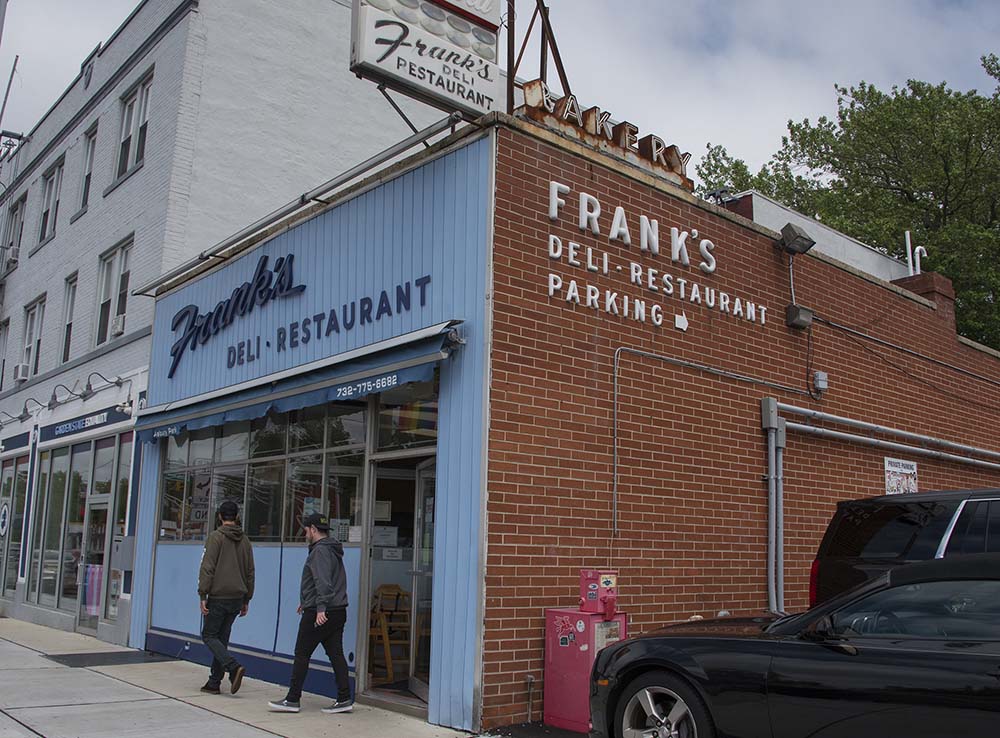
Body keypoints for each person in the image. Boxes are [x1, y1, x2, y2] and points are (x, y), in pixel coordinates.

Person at [268, 513, 353, 714]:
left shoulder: (320, 552)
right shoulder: (331, 549)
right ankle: (344, 698)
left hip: (322, 611)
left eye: (306, 530)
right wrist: (306, 602)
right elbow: (326, 581)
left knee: (302, 653)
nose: (305, 533)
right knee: (336, 654)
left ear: (313, 529)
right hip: (337, 610)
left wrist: (319, 608)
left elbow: (323, 582)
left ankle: (292, 699)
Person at [198, 499, 255, 695]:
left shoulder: (216, 537)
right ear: (237, 516)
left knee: (208, 635)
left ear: (220, 516)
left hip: (219, 596)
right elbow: (250, 571)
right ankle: (214, 682)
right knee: (221, 640)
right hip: (237, 597)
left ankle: (233, 667)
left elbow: (207, 567)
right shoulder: (245, 540)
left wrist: (202, 594)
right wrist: (247, 598)